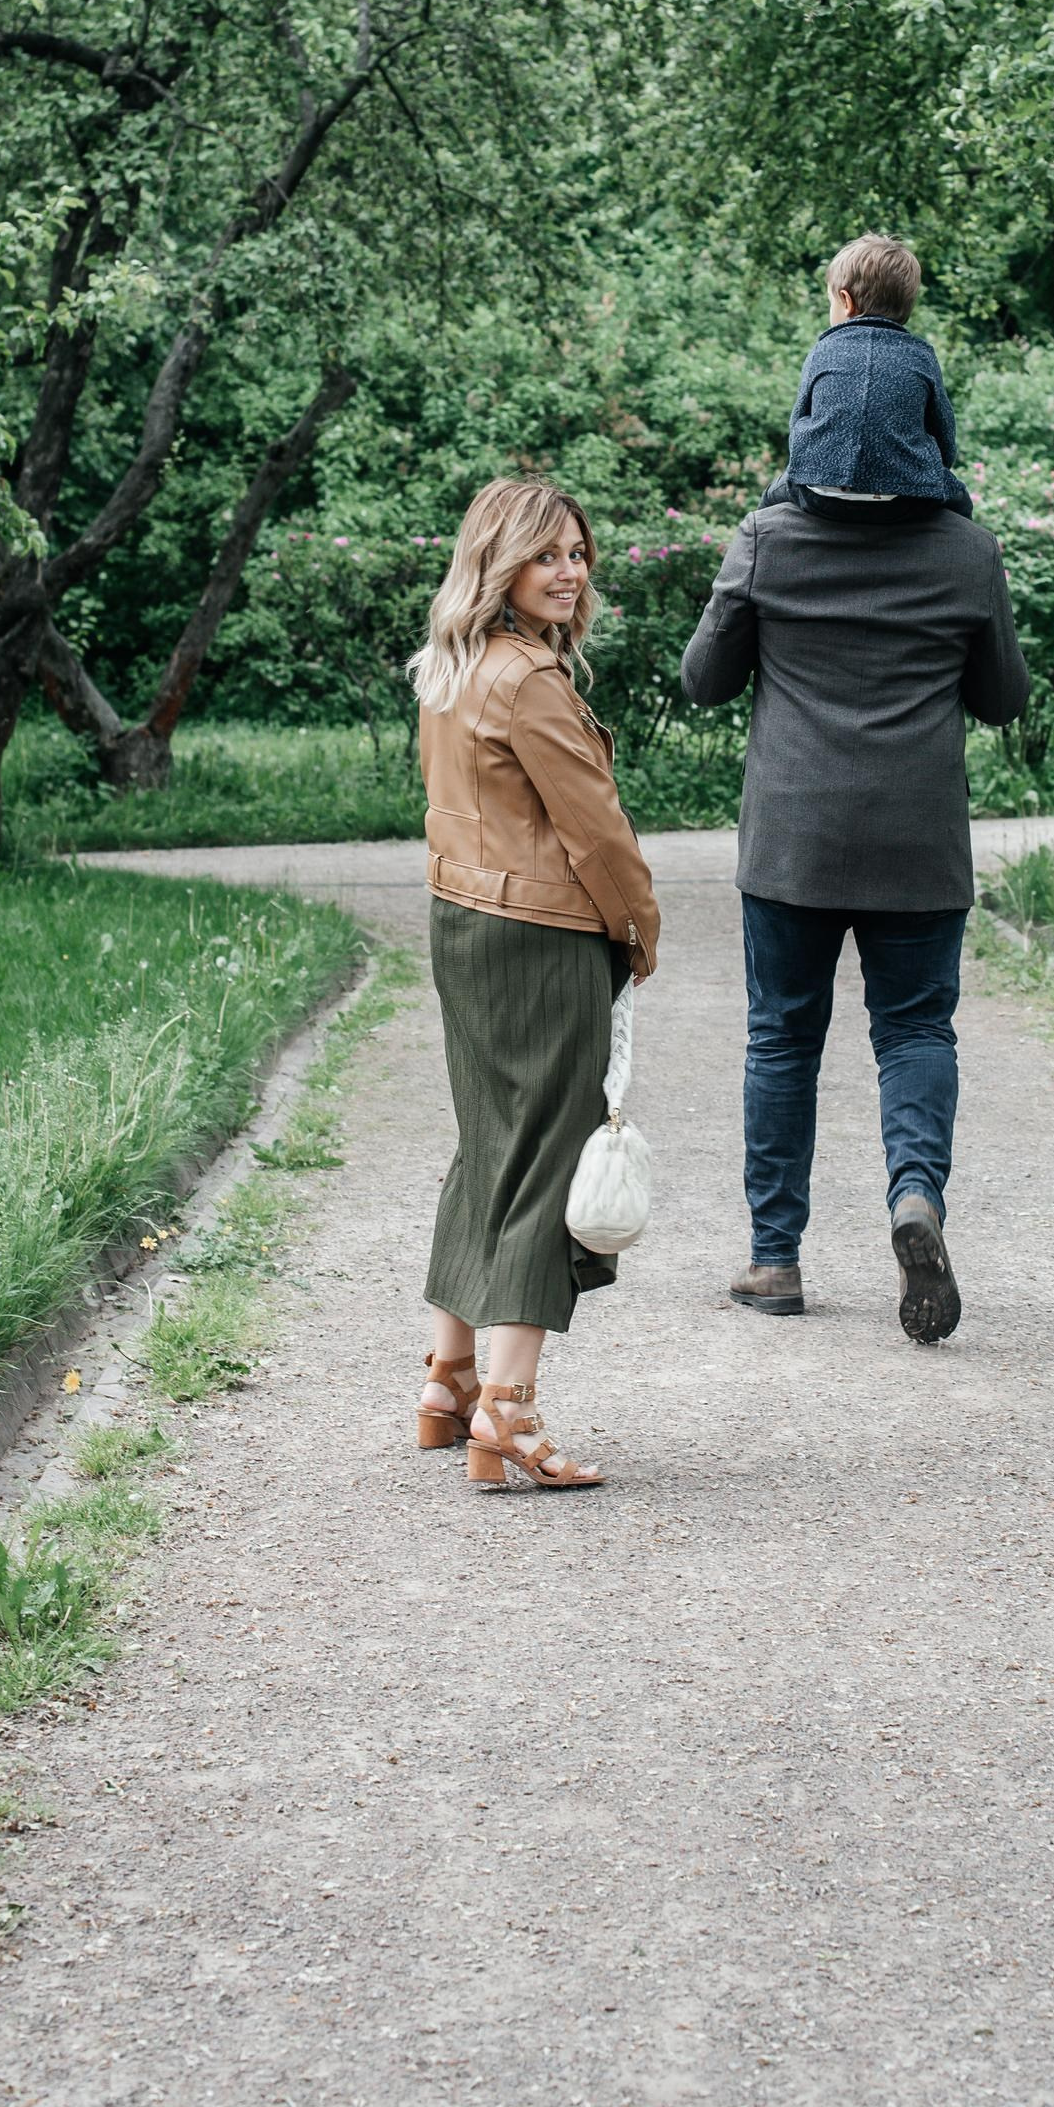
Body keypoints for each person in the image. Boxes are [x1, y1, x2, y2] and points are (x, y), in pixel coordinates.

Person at [682, 238, 1030, 1342]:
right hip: (918, 842)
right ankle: (911, 1192)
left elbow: (703, 680)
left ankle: (774, 1259)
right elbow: (1001, 700)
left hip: (791, 841)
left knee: (782, 1036)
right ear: (925, 405)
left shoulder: (767, 540)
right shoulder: (966, 552)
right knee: (915, 1027)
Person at [409, 480, 660, 1490]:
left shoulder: (452, 666)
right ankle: (507, 1413)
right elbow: (593, 827)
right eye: (546, 554)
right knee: (545, 1163)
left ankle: (449, 1381)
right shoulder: (528, 680)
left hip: (462, 922)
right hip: (541, 934)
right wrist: (638, 926)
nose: (569, 571)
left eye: (578, 553)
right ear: (499, 562)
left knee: (487, 1147)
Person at [784, 232, 974, 517]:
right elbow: (943, 431)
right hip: (906, 498)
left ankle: (762, 544)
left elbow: (798, 421)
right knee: (961, 502)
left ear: (845, 301)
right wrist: (937, 469)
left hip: (822, 495)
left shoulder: (824, 348)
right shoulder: (921, 354)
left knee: (771, 498)